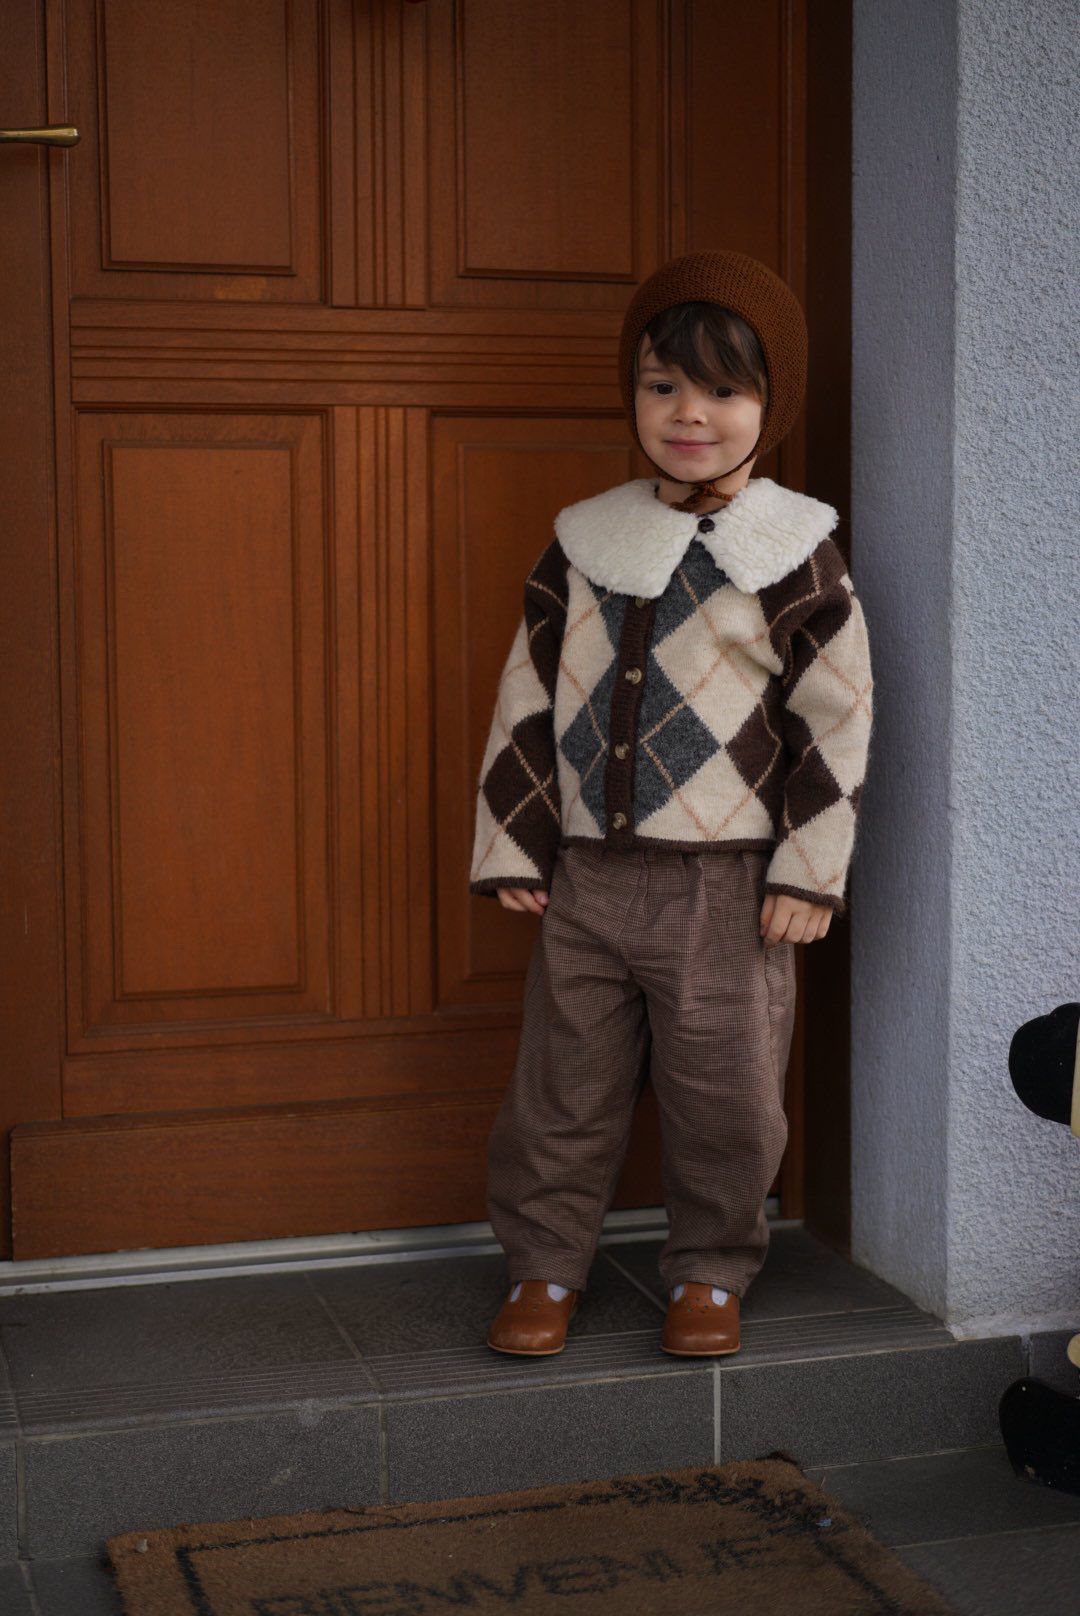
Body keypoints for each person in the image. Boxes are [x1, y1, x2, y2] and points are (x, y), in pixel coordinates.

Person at [468, 249, 874, 1358]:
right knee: (561, 1088)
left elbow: (836, 722)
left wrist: (808, 871)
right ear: (632, 395)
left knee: (728, 1096)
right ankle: (545, 1267)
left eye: (724, 391)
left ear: (769, 403)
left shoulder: (796, 552)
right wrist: (516, 840)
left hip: (729, 890)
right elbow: (528, 691)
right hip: (589, 881)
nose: (690, 414)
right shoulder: (584, 539)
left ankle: (712, 1267)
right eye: (662, 387)